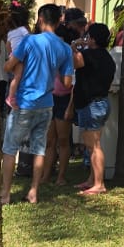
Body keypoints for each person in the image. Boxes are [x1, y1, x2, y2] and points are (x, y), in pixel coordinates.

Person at [1, 3, 74, 205]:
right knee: (39, 148)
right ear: (59, 22)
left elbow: (9, 65)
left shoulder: (30, 41)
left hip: (24, 102)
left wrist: (13, 63)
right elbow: (67, 82)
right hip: (47, 104)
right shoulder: (65, 48)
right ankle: (33, 191)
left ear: (40, 19)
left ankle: (5, 194)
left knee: (10, 148)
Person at [72, 22, 117, 196]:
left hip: (92, 105)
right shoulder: (108, 58)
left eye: (88, 36)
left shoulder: (88, 55)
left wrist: (74, 47)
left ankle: (99, 184)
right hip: (101, 102)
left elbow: (74, 64)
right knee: (92, 145)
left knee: (94, 146)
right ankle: (92, 179)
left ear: (92, 39)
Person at [43, 23, 81, 187]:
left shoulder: (70, 55)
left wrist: (70, 106)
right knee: (49, 141)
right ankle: (46, 175)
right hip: (50, 98)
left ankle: (61, 176)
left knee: (63, 140)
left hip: (65, 99)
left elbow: (73, 84)